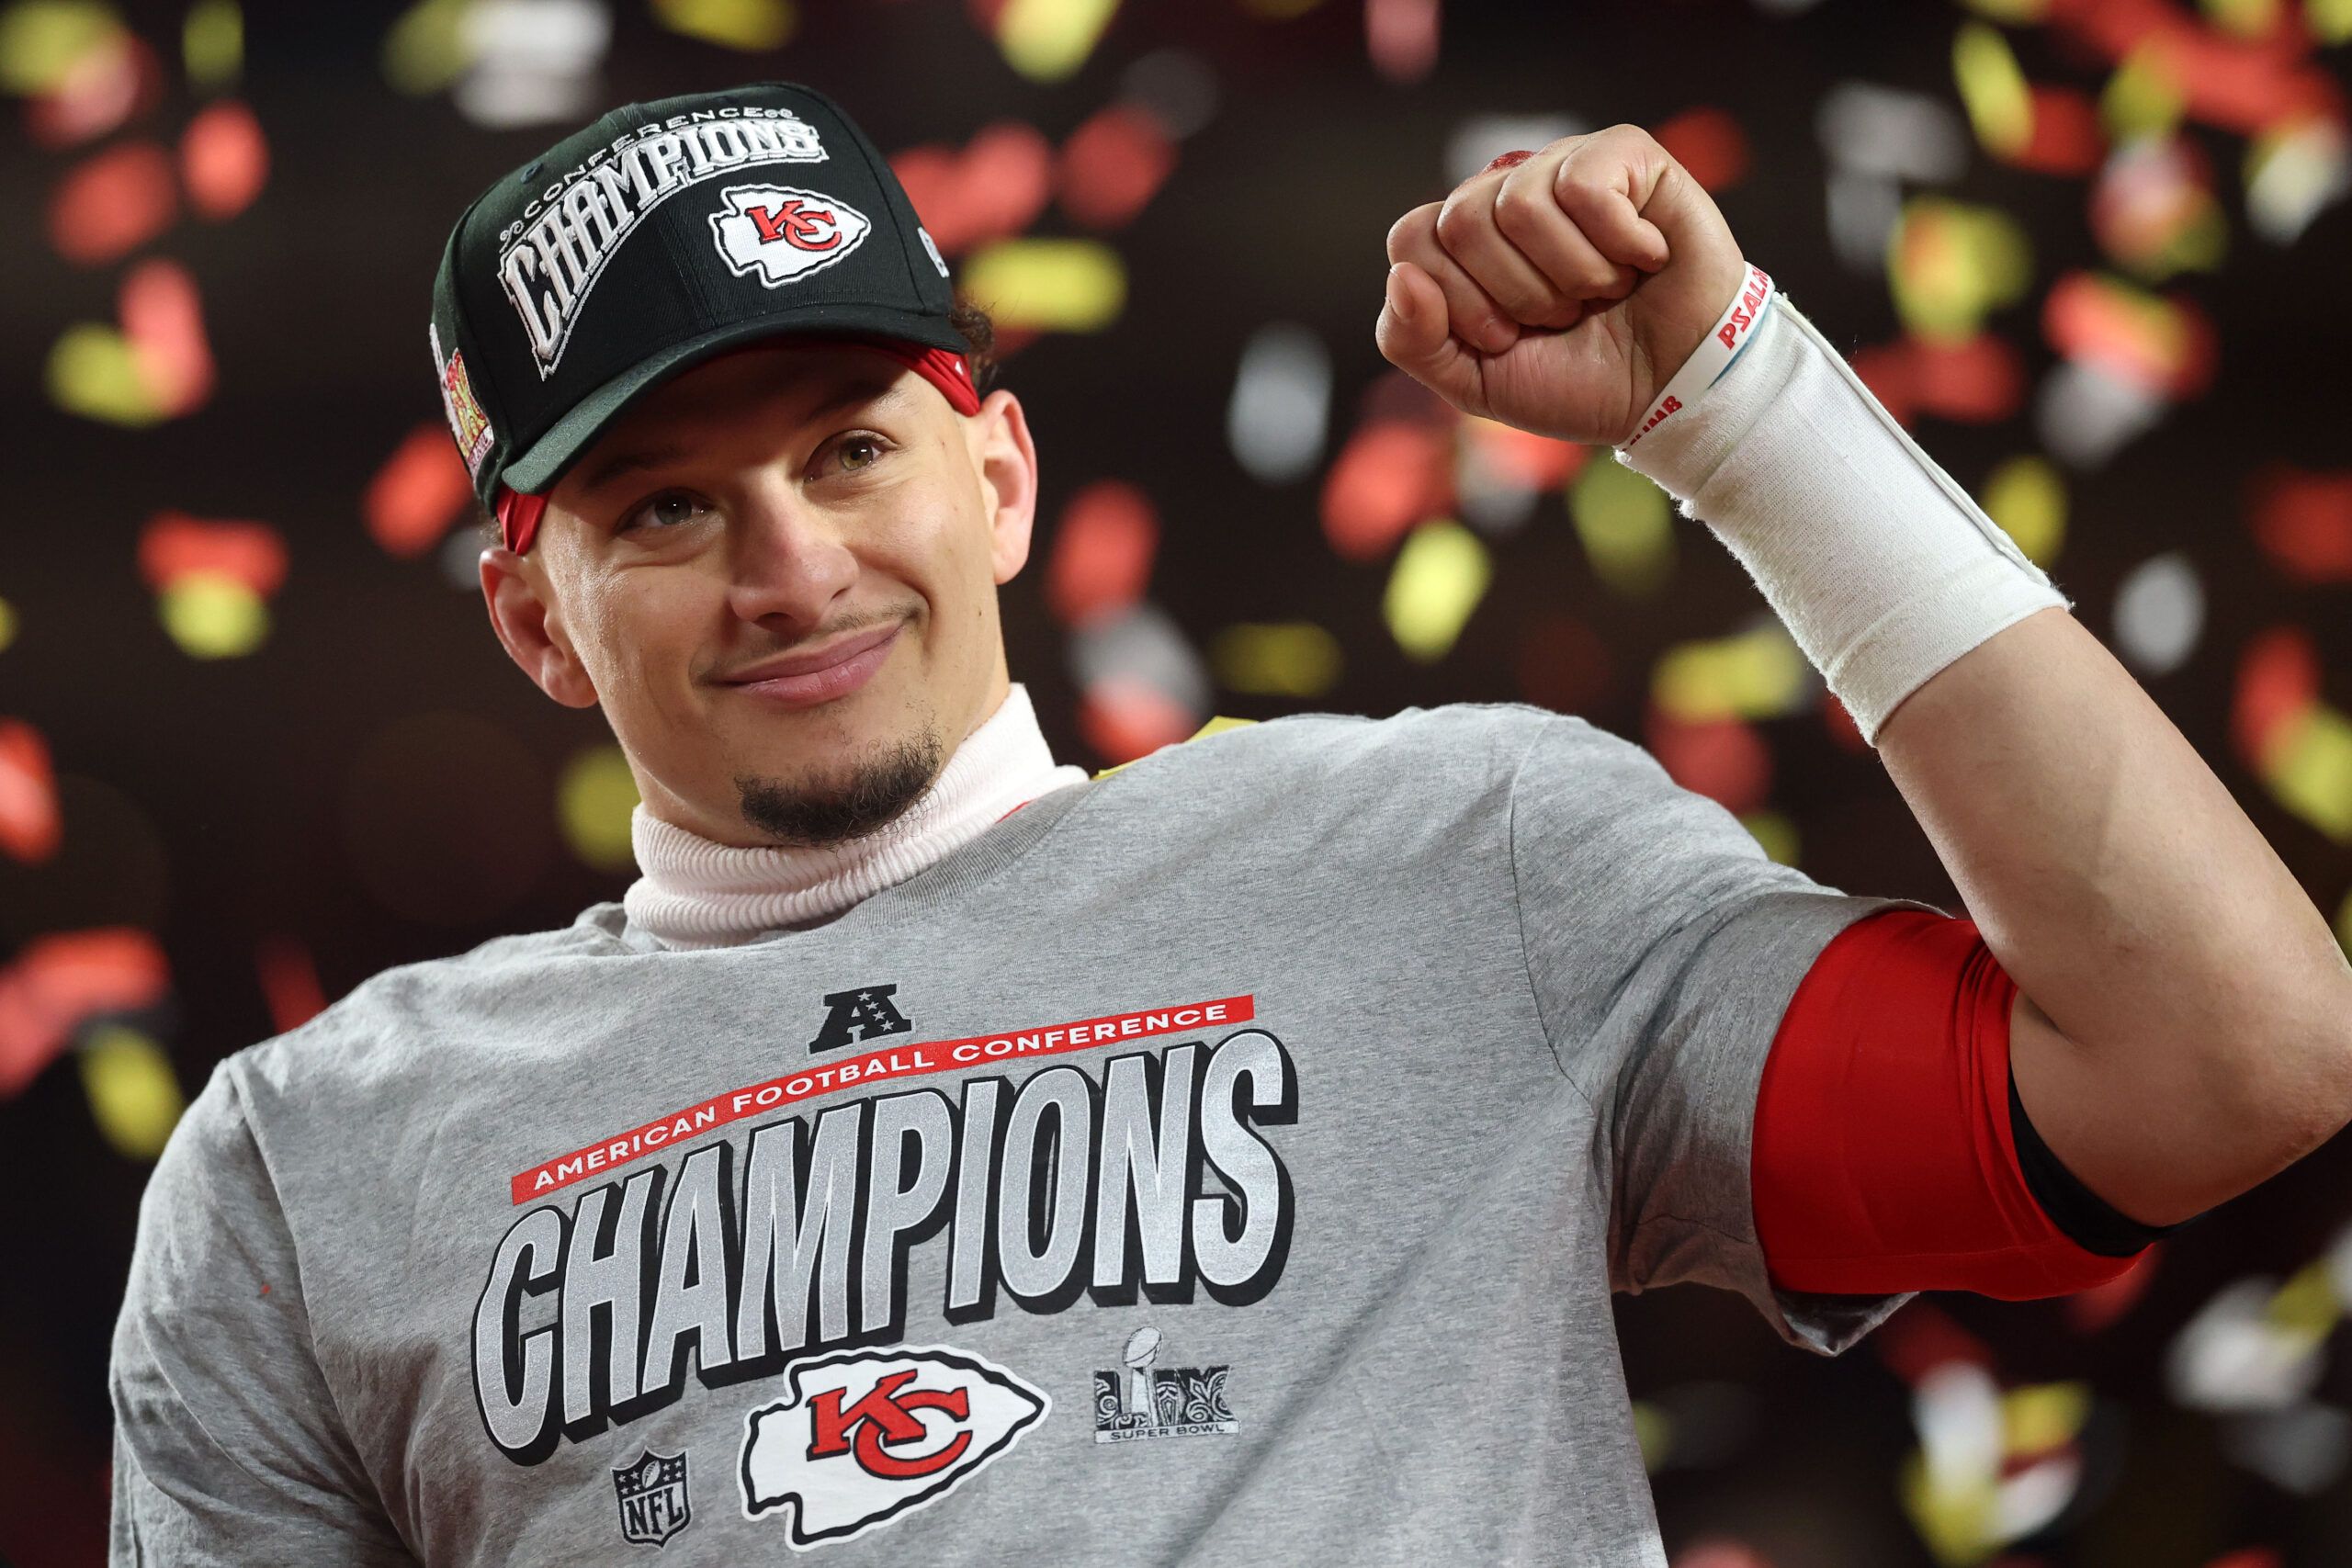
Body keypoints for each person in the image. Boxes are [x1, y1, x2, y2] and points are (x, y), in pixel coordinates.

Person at [109, 81, 2352, 1566]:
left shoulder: (1452, 857)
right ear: (533, 610)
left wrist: (1738, 409)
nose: (791, 567)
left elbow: (2221, 1059)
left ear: (993, 472)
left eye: (851, 452)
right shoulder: (309, 1163)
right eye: (665, 502)